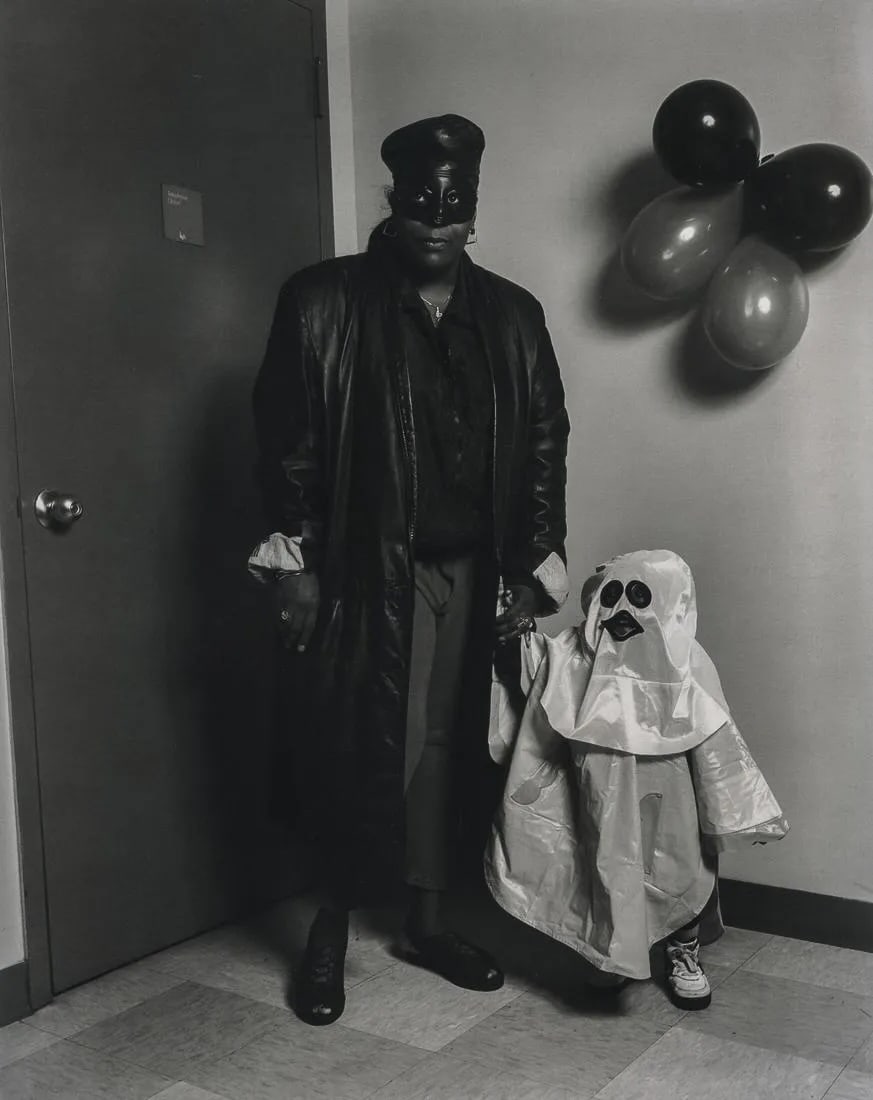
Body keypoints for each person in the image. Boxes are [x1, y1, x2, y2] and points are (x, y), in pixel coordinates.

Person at [248, 114, 570, 1025]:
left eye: (454, 204)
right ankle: (329, 929)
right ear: (392, 206)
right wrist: (298, 565)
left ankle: (427, 922)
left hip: (471, 569)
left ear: (473, 211)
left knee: (442, 749)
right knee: (359, 747)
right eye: (419, 203)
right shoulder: (321, 302)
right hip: (362, 572)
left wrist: (528, 563)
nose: (436, 219)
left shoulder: (512, 314)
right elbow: (287, 446)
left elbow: (544, 441)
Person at [486, 549, 789, 1010]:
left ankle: (683, 949)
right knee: (605, 865)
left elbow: (718, 743)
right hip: (599, 791)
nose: (623, 611)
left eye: (640, 597)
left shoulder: (687, 664)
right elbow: (540, 680)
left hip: (668, 800)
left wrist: (731, 811)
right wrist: (522, 631)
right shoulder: (575, 653)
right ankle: (613, 953)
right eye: (613, 596)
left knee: (678, 865)